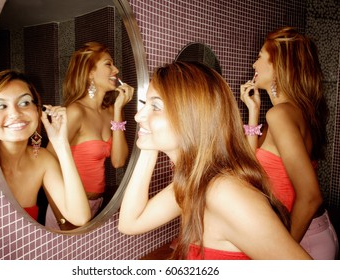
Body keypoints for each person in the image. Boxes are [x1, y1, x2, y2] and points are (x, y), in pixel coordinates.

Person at [118, 61, 312, 260]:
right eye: (144, 105)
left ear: (192, 117)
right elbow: (130, 223)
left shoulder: (224, 193)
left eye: (155, 106)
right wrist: (149, 142)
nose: (137, 116)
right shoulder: (196, 181)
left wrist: (149, 130)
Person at [240, 26, 338, 259]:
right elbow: (250, 166)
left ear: (278, 66)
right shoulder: (296, 111)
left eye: (260, 56)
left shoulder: (281, 114)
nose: (254, 64)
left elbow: (311, 195)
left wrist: (281, 252)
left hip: (304, 240)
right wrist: (253, 112)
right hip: (316, 234)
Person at [45, 42, 134, 229]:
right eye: (108, 64)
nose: (116, 69)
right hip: (68, 207)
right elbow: (46, 164)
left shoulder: (112, 110)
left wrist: (119, 109)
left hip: (97, 204)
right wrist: (61, 216)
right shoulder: (76, 111)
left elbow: (118, 161)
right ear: (90, 73)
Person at [0, 69, 91, 227]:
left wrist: (61, 143)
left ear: (38, 110)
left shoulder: (42, 160)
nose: (15, 113)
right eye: (1, 106)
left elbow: (80, 217)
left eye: (24, 103)